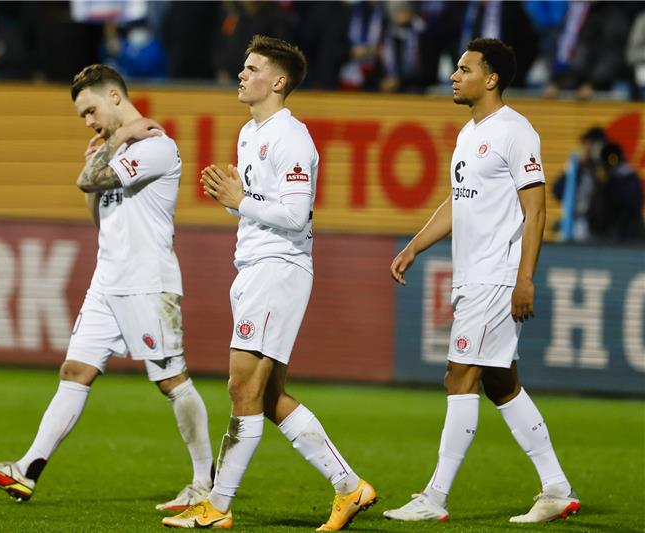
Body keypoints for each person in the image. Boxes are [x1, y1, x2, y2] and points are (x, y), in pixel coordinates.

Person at [0, 64, 215, 512]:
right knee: (74, 371)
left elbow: (87, 178)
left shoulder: (157, 146)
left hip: (147, 283)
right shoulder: (115, 152)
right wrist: (99, 157)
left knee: (171, 381)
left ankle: (205, 485)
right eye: (82, 116)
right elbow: (100, 215)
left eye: (90, 110)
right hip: (107, 280)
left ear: (115, 97)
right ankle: (26, 470)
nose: (88, 122)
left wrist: (114, 145)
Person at [163, 35, 376, 531]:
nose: (242, 74)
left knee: (241, 387)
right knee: (270, 396)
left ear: (278, 82)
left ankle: (217, 506)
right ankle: (349, 487)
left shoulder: (291, 138)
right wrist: (241, 197)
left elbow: (297, 214)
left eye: (252, 68)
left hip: (279, 268)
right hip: (254, 267)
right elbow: (262, 202)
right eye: (243, 66)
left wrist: (241, 199)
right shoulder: (248, 132)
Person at [384, 38, 581, 523]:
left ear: (491, 78)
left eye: (464, 68)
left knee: (459, 376)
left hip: (496, 277)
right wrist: (414, 245)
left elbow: (536, 212)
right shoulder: (470, 134)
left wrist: (524, 279)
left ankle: (434, 498)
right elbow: (458, 200)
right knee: (500, 384)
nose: (454, 75)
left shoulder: (516, 132)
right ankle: (556, 488)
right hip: (473, 275)